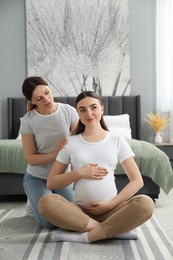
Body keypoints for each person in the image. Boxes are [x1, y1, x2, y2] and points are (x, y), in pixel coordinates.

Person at [38, 90, 154, 243]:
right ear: (78, 114)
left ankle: (86, 236)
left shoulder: (117, 140)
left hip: (112, 210)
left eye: (93, 107)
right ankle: (112, 230)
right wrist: (78, 173)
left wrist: (110, 204)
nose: (89, 113)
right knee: (46, 202)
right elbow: (51, 182)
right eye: (83, 110)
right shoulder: (70, 142)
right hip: (80, 213)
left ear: (101, 108)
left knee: (146, 203)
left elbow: (137, 181)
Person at [19, 76, 79, 228]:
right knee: (49, 223)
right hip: (37, 177)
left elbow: (80, 141)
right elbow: (31, 159)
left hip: (61, 176)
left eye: (47, 92)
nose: (46, 99)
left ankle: (44, 199)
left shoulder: (68, 111)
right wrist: (55, 153)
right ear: (32, 101)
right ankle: (34, 202)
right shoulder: (28, 120)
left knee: (74, 214)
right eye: (39, 98)